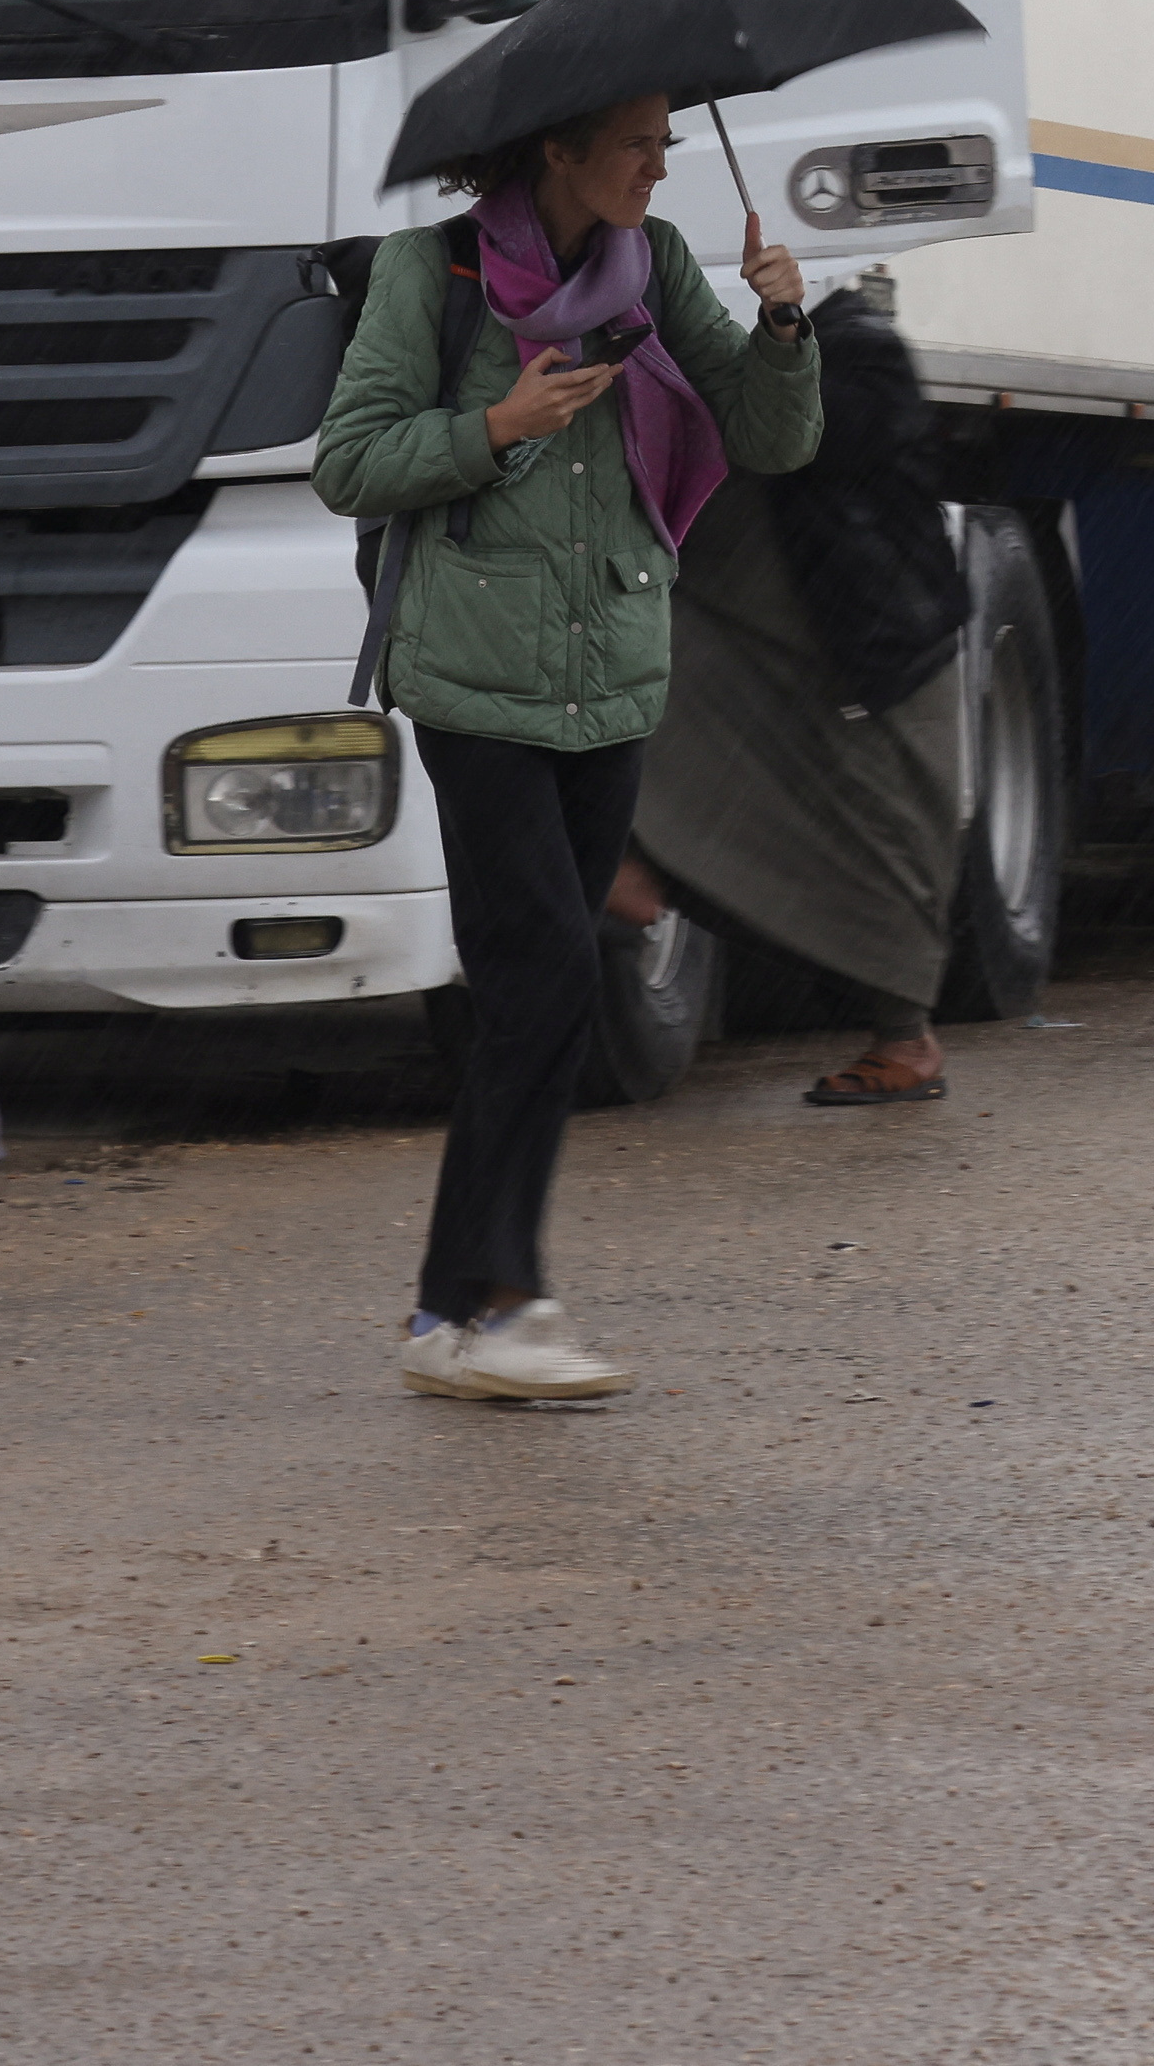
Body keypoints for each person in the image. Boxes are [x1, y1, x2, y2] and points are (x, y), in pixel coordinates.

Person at [316, 88, 819, 1402]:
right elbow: (350, 459)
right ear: (561, 148)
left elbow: (774, 437)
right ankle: (505, 1295)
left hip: (613, 678)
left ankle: (450, 1309)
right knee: (542, 979)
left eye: (665, 140)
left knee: (541, 983)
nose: (660, 164)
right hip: (475, 682)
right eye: (636, 143)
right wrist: (496, 426)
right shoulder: (439, 270)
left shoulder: (652, 266)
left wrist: (780, 319)